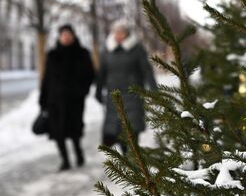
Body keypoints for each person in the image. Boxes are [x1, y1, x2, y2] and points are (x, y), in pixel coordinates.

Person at [95, 20, 157, 154]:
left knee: (132, 128)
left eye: (121, 32)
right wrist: (98, 90)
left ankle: (134, 156)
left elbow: (146, 71)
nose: (118, 35)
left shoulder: (137, 49)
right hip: (114, 95)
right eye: (116, 32)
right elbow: (102, 73)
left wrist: (154, 90)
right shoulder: (107, 50)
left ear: (127, 33)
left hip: (133, 94)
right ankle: (126, 156)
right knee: (117, 129)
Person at [39, 24, 95, 171]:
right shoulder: (52, 54)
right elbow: (46, 79)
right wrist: (43, 99)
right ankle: (65, 160)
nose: (66, 36)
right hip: (54, 101)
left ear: (73, 35)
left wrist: (82, 91)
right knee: (58, 132)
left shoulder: (82, 53)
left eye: (68, 34)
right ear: (59, 36)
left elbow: (90, 75)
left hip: (74, 101)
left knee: (74, 130)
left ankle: (79, 153)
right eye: (63, 34)